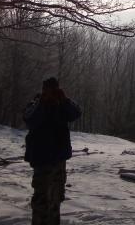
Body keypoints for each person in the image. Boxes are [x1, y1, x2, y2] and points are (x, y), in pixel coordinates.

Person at [24, 77, 81, 225]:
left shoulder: (61, 104)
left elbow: (76, 113)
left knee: (57, 198)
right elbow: (29, 119)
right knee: (41, 201)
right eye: (47, 89)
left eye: (53, 89)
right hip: (42, 160)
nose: (50, 92)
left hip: (59, 160)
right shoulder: (36, 103)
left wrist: (65, 100)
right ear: (43, 90)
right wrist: (42, 102)